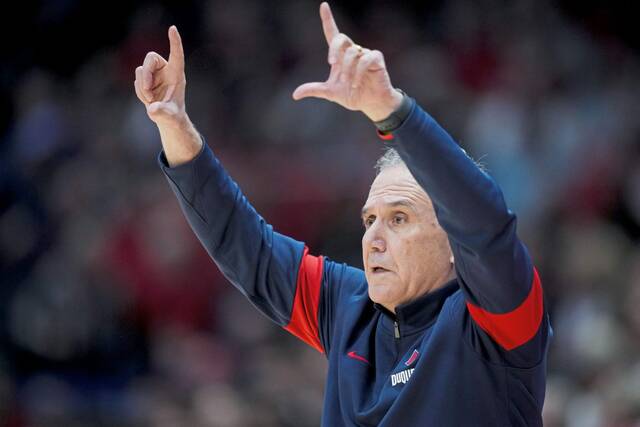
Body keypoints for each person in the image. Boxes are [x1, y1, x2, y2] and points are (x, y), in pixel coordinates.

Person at [133, 2, 550, 425]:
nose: (374, 237)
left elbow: (484, 223)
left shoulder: (497, 320)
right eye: (370, 220)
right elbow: (247, 248)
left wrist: (392, 111)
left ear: (455, 245)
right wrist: (175, 126)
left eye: (400, 218)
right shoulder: (348, 307)